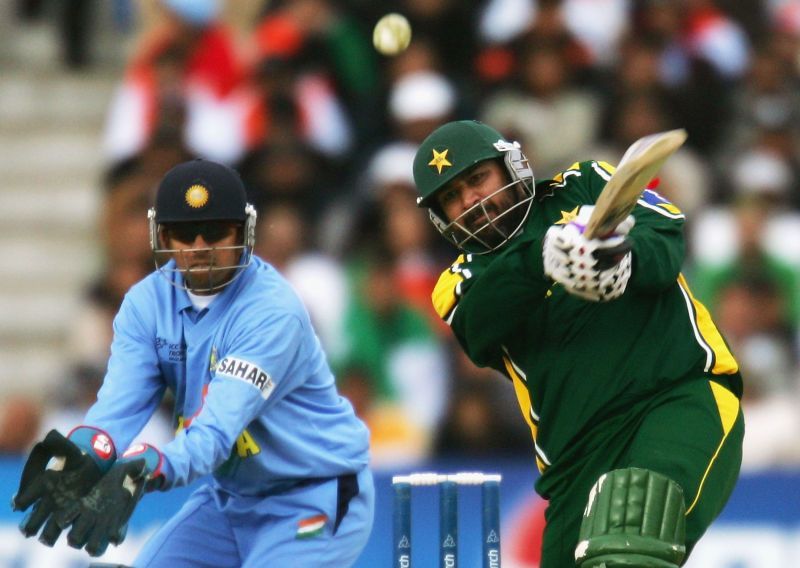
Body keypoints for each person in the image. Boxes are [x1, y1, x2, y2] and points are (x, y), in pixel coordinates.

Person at [412, 120, 744, 567]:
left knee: (629, 546)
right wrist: (541, 260)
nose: (470, 200)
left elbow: (665, 238)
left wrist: (623, 262)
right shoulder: (459, 280)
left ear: (511, 166)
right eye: (451, 197)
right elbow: (480, 327)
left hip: (676, 402)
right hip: (575, 464)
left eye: (477, 179)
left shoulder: (585, 183)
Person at [12, 159, 374, 566]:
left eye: (216, 231)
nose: (200, 247)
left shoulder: (272, 311)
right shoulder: (145, 304)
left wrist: (152, 466)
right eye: (184, 234)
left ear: (244, 232)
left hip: (312, 495)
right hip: (231, 500)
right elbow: (118, 406)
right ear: (162, 236)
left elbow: (215, 432)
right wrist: (88, 451)